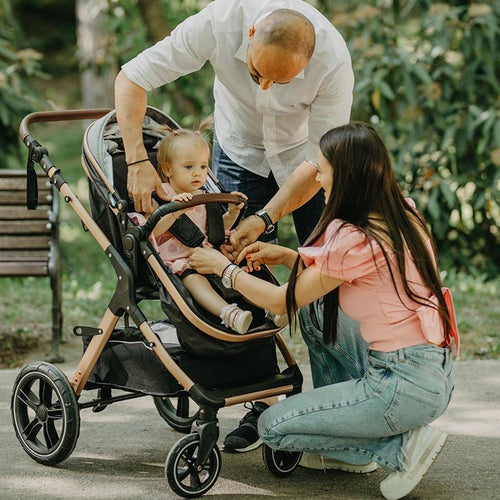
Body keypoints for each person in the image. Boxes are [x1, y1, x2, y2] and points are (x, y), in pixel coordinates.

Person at [189, 122, 458, 500]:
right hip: (431, 369)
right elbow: (348, 273)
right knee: (317, 309)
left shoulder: (354, 237)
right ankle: (346, 449)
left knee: (273, 428)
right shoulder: (400, 214)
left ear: (345, 178)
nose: (319, 179)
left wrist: (223, 270)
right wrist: (289, 257)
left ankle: (398, 449)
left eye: (323, 171)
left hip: (400, 386)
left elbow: (282, 301)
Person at [114, 0, 354, 246]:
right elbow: (131, 79)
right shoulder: (217, 24)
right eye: (257, 72)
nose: (264, 86)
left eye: (282, 82)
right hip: (239, 147)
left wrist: (264, 218)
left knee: (324, 254)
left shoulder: (333, 62)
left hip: (303, 154)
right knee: (243, 259)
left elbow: (319, 158)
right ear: (251, 33)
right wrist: (137, 160)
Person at [130, 120, 252, 334]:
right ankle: (228, 313)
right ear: (168, 169)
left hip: (206, 254)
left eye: (203, 167)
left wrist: (232, 214)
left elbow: (215, 229)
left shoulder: (203, 196)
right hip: (178, 261)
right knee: (195, 280)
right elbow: (155, 230)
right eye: (189, 167)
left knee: (240, 267)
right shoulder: (162, 194)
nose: (198, 173)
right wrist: (175, 209)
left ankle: (263, 306)